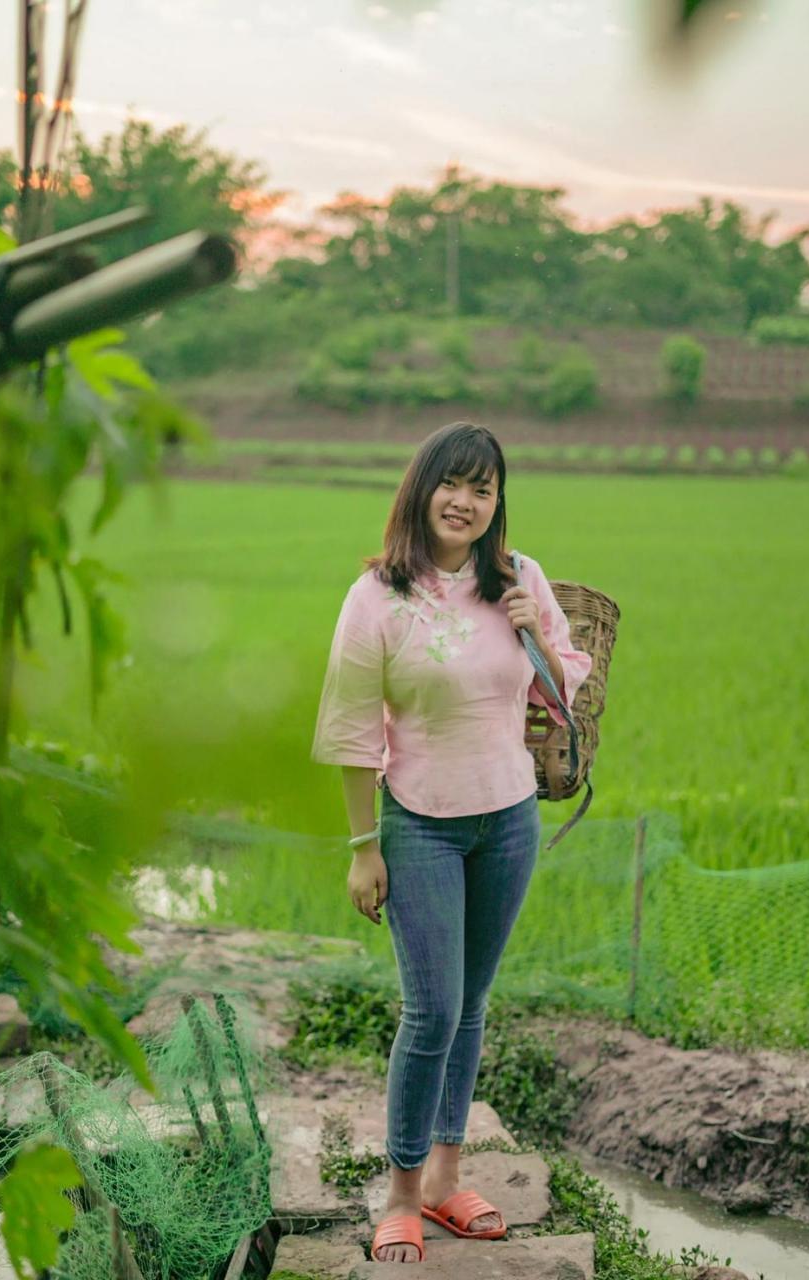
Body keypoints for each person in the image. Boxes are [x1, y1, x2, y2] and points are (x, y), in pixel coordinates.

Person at [311, 421, 592, 1264]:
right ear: (422, 489)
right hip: (419, 821)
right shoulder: (378, 596)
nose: (466, 501)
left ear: (497, 502)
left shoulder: (519, 577)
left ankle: (445, 1175)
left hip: (509, 817)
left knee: (471, 1008)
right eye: (453, 483)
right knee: (430, 1010)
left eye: (484, 488)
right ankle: (400, 1191)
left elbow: (567, 685)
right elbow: (352, 727)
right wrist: (365, 845)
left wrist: (532, 631)